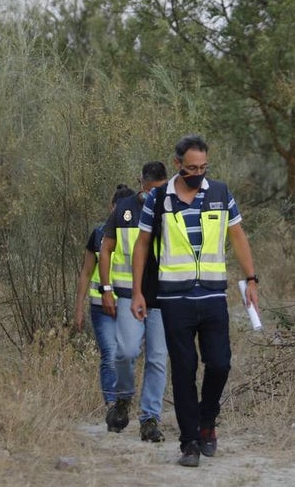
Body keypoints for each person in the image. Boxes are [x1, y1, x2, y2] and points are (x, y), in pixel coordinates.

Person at [130, 134, 259, 468]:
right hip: (174, 299)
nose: (198, 173)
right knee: (184, 370)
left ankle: (207, 420)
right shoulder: (158, 199)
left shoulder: (219, 193)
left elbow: (238, 236)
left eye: (203, 167)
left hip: (214, 295)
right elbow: (142, 244)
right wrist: (139, 291)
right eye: (191, 168)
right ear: (177, 165)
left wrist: (252, 279)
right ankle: (189, 442)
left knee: (220, 363)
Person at [98, 161, 170, 443]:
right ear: (140, 183)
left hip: (163, 297)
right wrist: (106, 288)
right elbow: (106, 249)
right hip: (129, 295)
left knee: (157, 358)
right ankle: (123, 398)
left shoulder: (173, 208)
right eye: (151, 190)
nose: (155, 196)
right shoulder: (124, 209)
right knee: (126, 352)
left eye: (161, 190)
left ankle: (150, 418)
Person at [74, 183, 136, 429]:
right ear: (112, 208)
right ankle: (112, 407)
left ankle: (123, 400)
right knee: (109, 354)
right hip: (101, 307)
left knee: (126, 356)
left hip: (129, 306)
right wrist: (79, 309)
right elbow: (86, 273)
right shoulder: (98, 234)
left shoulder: (140, 233)